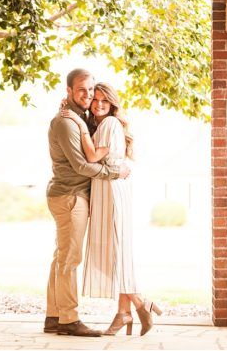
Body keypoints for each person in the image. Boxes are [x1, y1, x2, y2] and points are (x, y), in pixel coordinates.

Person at [62, 82, 164, 336]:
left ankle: (141, 304)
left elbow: (94, 157)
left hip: (111, 191)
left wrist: (78, 124)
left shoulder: (108, 124)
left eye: (104, 101)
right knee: (118, 252)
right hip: (109, 187)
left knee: (116, 252)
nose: (97, 104)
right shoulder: (106, 125)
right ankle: (123, 312)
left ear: (112, 104)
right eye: (95, 100)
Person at [44, 68, 130, 337]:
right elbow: (82, 165)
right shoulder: (66, 122)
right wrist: (114, 173)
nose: (88, 94)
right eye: (81, 89)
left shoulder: (80, 118)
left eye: (90, 90)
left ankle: (54, 315)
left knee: (61, 257)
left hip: (71, 195)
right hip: (71, 196)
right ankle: (69, 319)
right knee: (70, 259)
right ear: (68, 90)